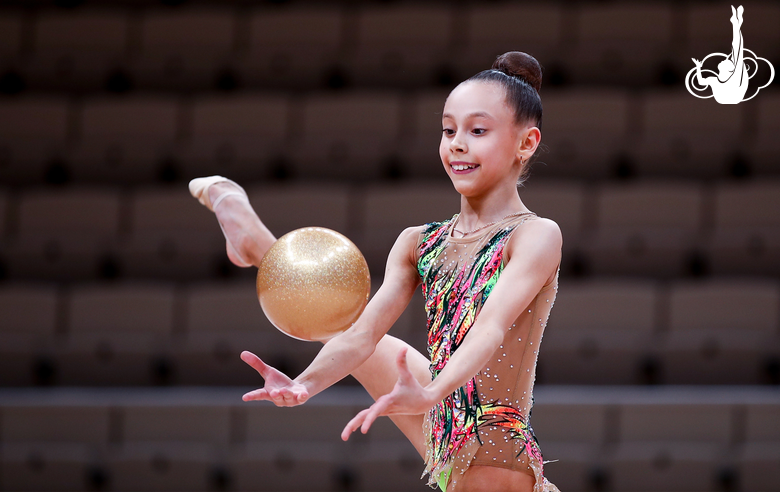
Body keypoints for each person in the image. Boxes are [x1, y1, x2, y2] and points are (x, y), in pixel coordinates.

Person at [189, 51, 562, 492]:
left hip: (485, 431)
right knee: (341, 315)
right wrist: (304, 385)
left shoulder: (535, 234)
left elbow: (491, 327)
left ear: (526, 143)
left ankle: (255, 243)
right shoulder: (418, 242)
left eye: (477, 131)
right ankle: (251, 237)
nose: (457, 144)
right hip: (450, 419)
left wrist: (430, 394)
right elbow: (362, 336)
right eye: (448, 130)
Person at [692, 5, 748, 104]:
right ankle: (736, 23)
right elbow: (701, 82)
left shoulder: (732, 78)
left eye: (727, 61)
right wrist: (698, 67)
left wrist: (736, 26)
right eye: (728, 60)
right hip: (729, 97)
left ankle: (736, 23)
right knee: (737, 51)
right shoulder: (715, 80)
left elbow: (737, 48)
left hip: (733, 96)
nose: (725, 59)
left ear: (729, 69)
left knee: (737, 50)